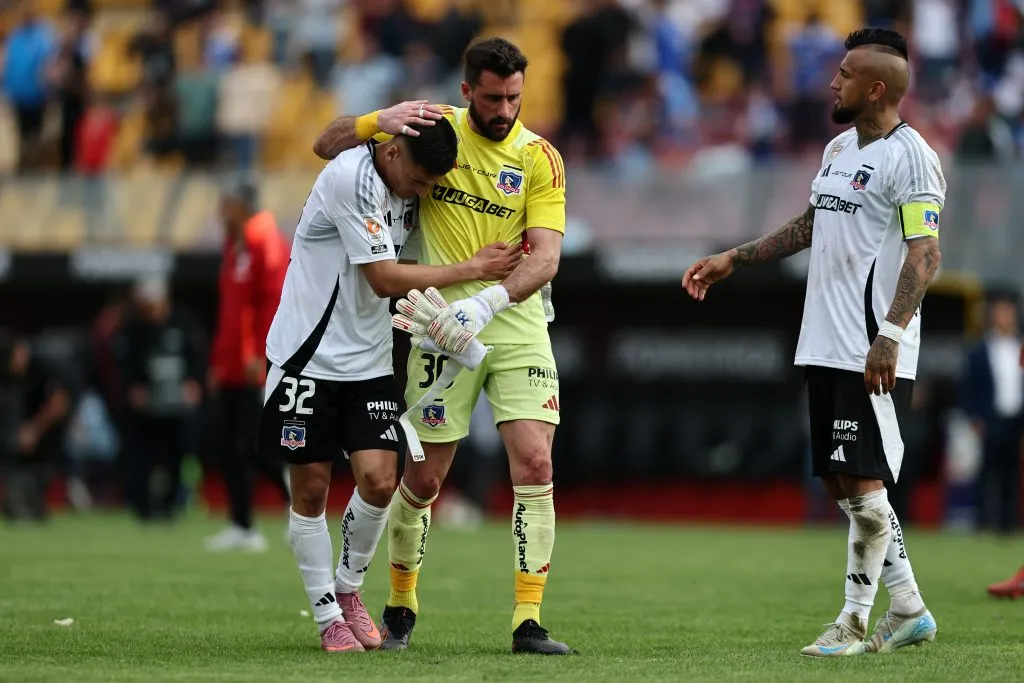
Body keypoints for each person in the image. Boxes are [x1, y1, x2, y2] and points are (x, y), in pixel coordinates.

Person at [682, 28, 942, 656]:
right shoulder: (837, 149)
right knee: (841, 483)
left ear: (875, 88)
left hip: (869, 347)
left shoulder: (912, 157)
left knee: (865, 489)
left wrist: (889, 335)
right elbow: (810, 224)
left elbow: (925, 254)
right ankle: (909, 608)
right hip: (823, 340)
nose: (832, 82)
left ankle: (852, 621)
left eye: (845, 74)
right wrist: (736, 258)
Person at [312, 36, 573, 655]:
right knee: (425, 478)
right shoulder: (432, 132)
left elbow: (546, 258)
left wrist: (487, 301)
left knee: (535, 465)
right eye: (492, 98)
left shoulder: (540, 157)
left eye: (513, 97)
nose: (504, 109)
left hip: (515, 320)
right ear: (466, 91)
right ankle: (401, 603)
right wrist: (377, 120)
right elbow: (326, 144)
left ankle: (528, 620)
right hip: (438, 323)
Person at [260, 116, 521, 653]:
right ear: (394, 152)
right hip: (307, 358)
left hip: (371, 361)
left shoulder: (410, 173)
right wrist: (471, 269)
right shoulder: (350, 177)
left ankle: (348, 589)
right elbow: (382, 278)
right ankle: (326, 615)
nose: (423, 194)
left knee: (381, 481)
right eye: (420, 182)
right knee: (311, 489)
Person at [204, 179, 292, 552]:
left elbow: (273, 303)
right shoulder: (234, 245)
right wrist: (218, 361)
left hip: (255, 364)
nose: (220, 212)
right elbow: (230, 312)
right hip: (232, 366)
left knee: (256, 444)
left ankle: (298, 506)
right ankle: (241, 525)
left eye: (226, 204)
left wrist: (262, 354)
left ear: (242, 206)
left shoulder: (265, 243)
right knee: (229, 445)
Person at [116, 278, 205, 521]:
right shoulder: (133, 329)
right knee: (143, 457)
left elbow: (198, 356)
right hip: (147, 408)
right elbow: (124, 363)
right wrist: (133, 388)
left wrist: (194, 382)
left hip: (178, 406)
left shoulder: (184, 324)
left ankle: (172, 506)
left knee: (177, 455)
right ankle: (142, 507)